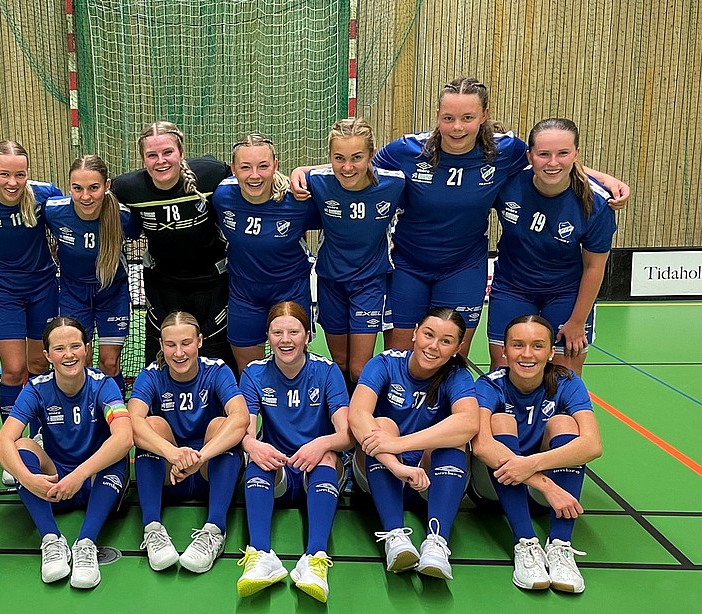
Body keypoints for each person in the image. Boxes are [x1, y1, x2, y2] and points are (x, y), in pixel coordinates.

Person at [292, 77, 629, 357]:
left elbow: (551, 161)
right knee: (399, 355)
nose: (457, 127)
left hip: (463, 268)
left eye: (467, 117)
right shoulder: (406, 151)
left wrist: (601, 179)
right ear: (437, 116)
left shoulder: (505, 151)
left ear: (484, 116)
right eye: (448, 118)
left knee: (452, 355)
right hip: (408, 265)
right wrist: (304, 171)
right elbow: (356, 167)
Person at [0, 316, 133, 589]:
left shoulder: (103, 385)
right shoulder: (37, 389)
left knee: (115, 449)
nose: (68, 355)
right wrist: (28, 478)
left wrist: (79, 475)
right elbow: (3, 441)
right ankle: (51, 539)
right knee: (22, 447)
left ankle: (86, 544)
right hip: (55, 482)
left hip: (93, 478)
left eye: (75, 346)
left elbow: (125, 437)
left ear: (87, 349)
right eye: (59, 349)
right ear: (47, 355)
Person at [471, 315, 603, 594]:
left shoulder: (567, 381)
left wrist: (530, 465)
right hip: (495, 489)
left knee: (564, 423)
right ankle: (525, 542)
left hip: (546, 494)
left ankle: (560, 545)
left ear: (551, 352)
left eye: (537, 345)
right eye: (518, 345)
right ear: (504, 350)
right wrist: (546, 485)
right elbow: (481, 445)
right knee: (500, 420)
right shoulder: (489, 384)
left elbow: (593, 445)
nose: (527, 354)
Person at [349, 307, 478, 580]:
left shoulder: (457, 376)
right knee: (382, 424)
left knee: (454, 442)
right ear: (415, 333)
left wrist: (400, 445)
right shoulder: (385, 363)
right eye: (428, 335)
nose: (433, 346)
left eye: (446, 341)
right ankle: (395, 536)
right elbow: (357, 415)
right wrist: (395, 463)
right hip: (380, 472)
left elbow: (468, 423)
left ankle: (437, 543)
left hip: (430, 478)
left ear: (457, 348)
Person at [236, 302, 352, 603]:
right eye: (277, 333)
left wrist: (321, 443)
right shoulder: (254, 373)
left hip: (318, 471)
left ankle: (315, 559)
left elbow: (347, 434)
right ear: (267, 336)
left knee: (328, 456)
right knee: (259, 457)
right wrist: (252, 445)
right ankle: (260, 555)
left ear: (308, 336)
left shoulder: (326, 371)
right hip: (279, 472)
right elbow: (244, 431)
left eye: (293, 332)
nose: (285, 340)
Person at [488, 118, 617, 376]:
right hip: (512, 288)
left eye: (563, 153)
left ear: (576, 155)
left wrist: (577, 322)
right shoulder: (508, 184)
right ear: (529, 156)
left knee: (564, 375)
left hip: (565, 292)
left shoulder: (597, 203)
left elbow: (594, 267)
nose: (553, 162)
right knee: (504, 370)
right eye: (544, 154)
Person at [128, 311, 248, 573]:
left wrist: (199, 457)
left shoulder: (216, 370)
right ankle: (152, 528)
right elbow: (132, 421)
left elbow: (241, 418)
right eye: (171, 345)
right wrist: (173, 454)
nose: (179, 353)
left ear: (200, 341)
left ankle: (215, 529)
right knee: (151, 425)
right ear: (161, 345)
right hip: (171, 475)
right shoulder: (151, 375)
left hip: (208, 472)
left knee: (220, 424)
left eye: (186, 343)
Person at [110, 122, 236, 372]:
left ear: (181, 152)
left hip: (212, 283)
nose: (161, 161)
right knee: (161, 357)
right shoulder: (128, 188)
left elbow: (251, 176)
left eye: (168, 152)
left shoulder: (210, 174)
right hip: (163, 286)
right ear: (143, 159)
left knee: (216, 357)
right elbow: (91, 195)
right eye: (152, 155)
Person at [0, 140, 63, 421]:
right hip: (4, 292)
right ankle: (11, 436)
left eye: (20, 174)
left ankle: (40, 433)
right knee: (14, 369)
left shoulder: (44, 195)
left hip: (43, 289)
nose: (12, 182)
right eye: (4, 174)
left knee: (39, 363)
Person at [305, 118, 407, 385]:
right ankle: (342, 409)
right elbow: (298, 176)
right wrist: (296, 174)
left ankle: (367, 410)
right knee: (339, 363)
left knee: (360, 368)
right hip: (331, 282)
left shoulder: (394, 183)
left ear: (372, 155)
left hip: (369, 283)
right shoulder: (318, 182)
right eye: (339, 158)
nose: (347, 167)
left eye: (357, 158)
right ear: (329, 157)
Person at [212, 133, 319, 374]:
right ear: (233, 169)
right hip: (244, 294)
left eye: (263, 166)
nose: (255, 175)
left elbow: (341, 176)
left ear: (275, 166)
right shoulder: (222, 197)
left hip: (290, 290)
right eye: (245, 167)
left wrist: (302, 170)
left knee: (292, 366)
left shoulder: (298, 200)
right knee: (248, 371)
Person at [43, 156, 140, 396]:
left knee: (109, 363)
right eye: (77, 188)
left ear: (107, 185)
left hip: (112, 293)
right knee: (78, 360)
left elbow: (142, 234)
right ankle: (83, 414)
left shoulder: (123, 216)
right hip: (73, 294)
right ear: (69, 187)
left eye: (93, 188)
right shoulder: (53, 211)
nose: (85, 196)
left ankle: (115, 414)